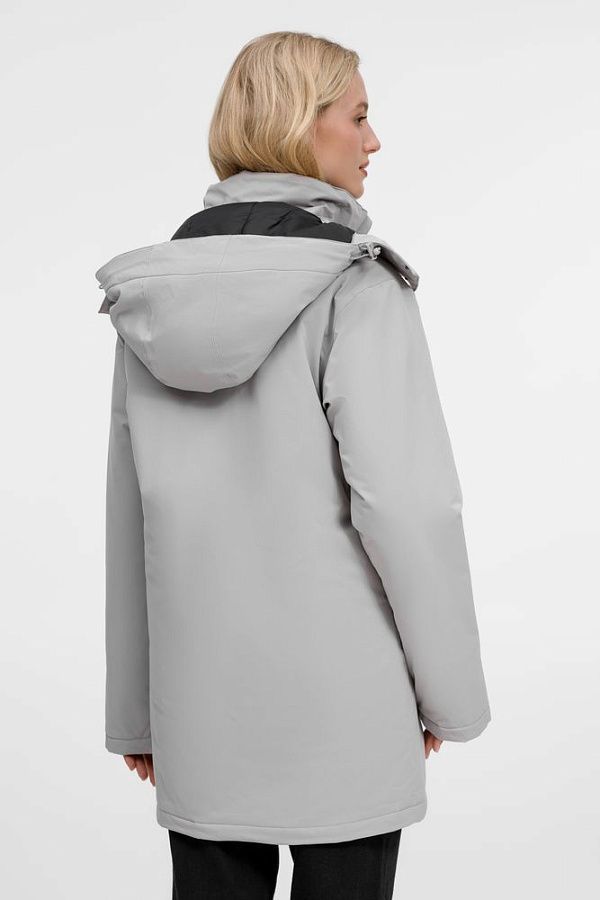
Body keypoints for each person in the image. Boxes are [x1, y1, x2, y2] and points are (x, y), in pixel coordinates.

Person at [96, 30, 491, 900]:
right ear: (300, 126)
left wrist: (136, 715)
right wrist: (449, 697)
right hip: (348, 705)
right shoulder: (356, 285)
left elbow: (134, 517)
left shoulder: (155, 298)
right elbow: (409, 508)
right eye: (358, 116)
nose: (373, 140)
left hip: (199, 706)